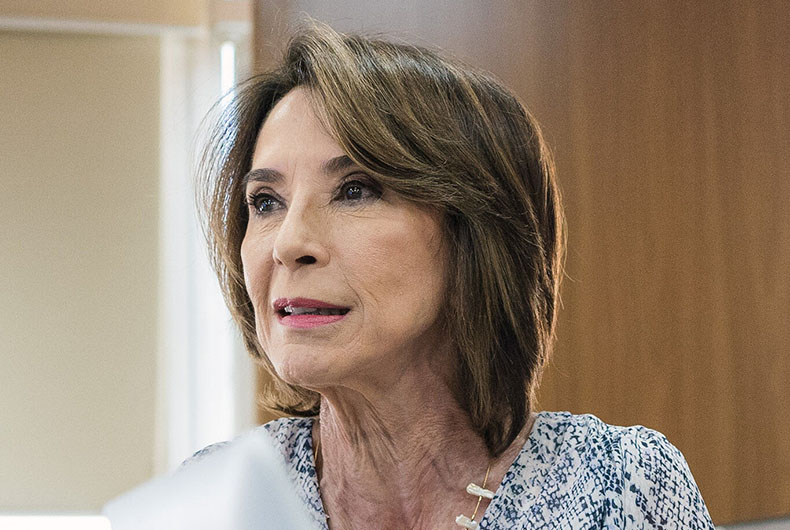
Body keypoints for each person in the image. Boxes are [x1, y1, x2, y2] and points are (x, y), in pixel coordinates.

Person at [196, 24, 714, 529]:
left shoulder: (620, 487)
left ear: (473, 233)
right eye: (266, 202)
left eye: (355, 190)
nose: (288, 244)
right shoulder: (213, 500)